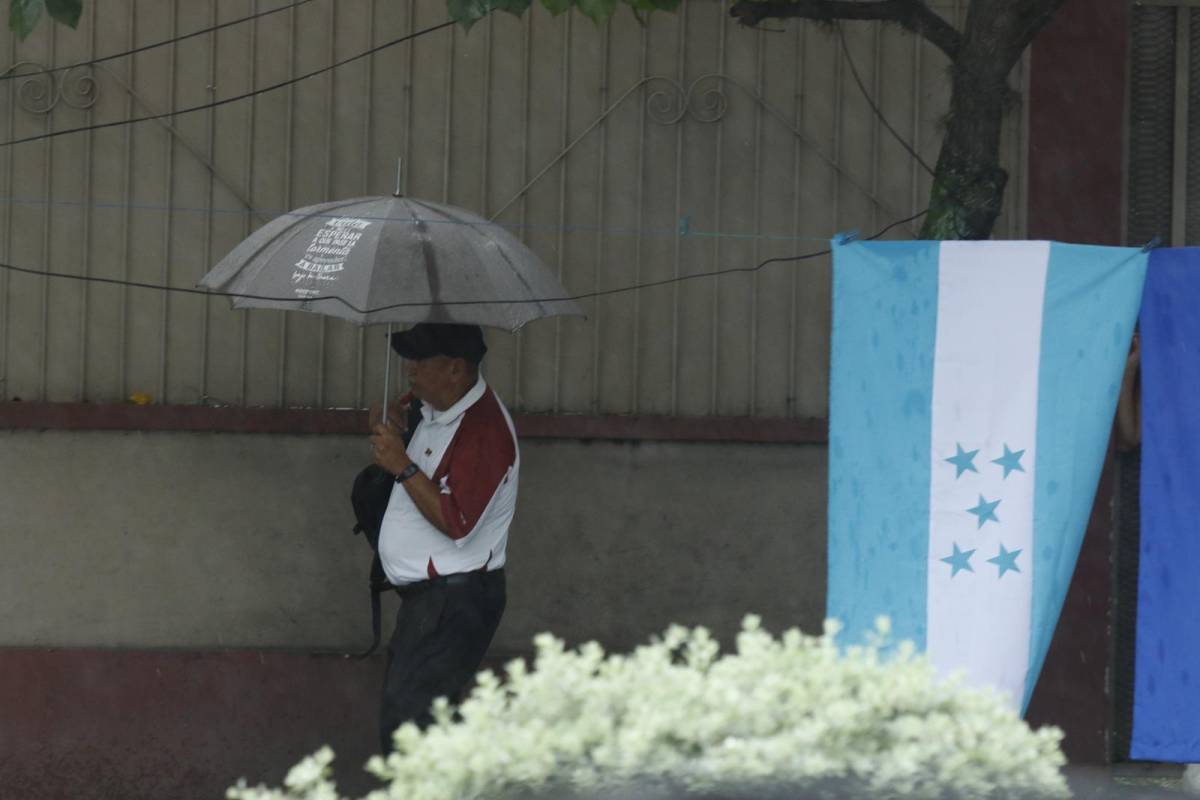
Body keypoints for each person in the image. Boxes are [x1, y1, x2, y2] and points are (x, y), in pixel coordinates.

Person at [367, 322, 517, 753]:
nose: (408, 369)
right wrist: (396, 431)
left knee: (411, 731)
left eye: (419, 361)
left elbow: (457, 520)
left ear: (455, 369)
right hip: (429, 601)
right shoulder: (427, 405)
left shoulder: (484, 432)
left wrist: (402, 464)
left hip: (454, 600)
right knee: (416, 722)